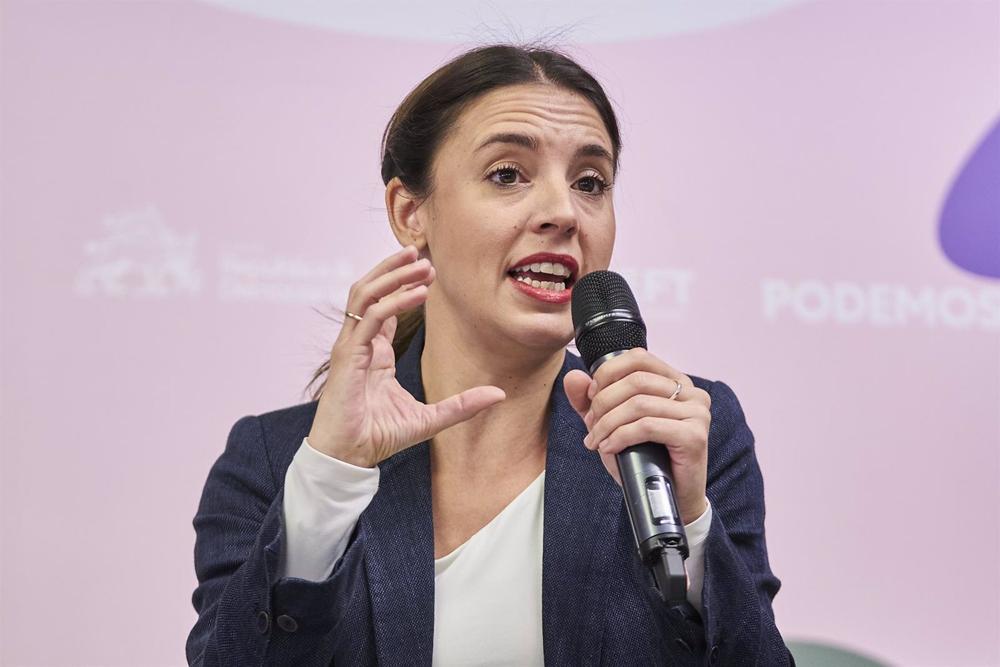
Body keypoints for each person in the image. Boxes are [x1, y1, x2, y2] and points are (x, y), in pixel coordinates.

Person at [187, 44, 793, 666]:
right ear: (409, 212)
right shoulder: (279, 463)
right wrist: (330, 481)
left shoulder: (683, 433)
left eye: (591, 183)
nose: (562, 212)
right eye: (508, 174)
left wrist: (689, 523)